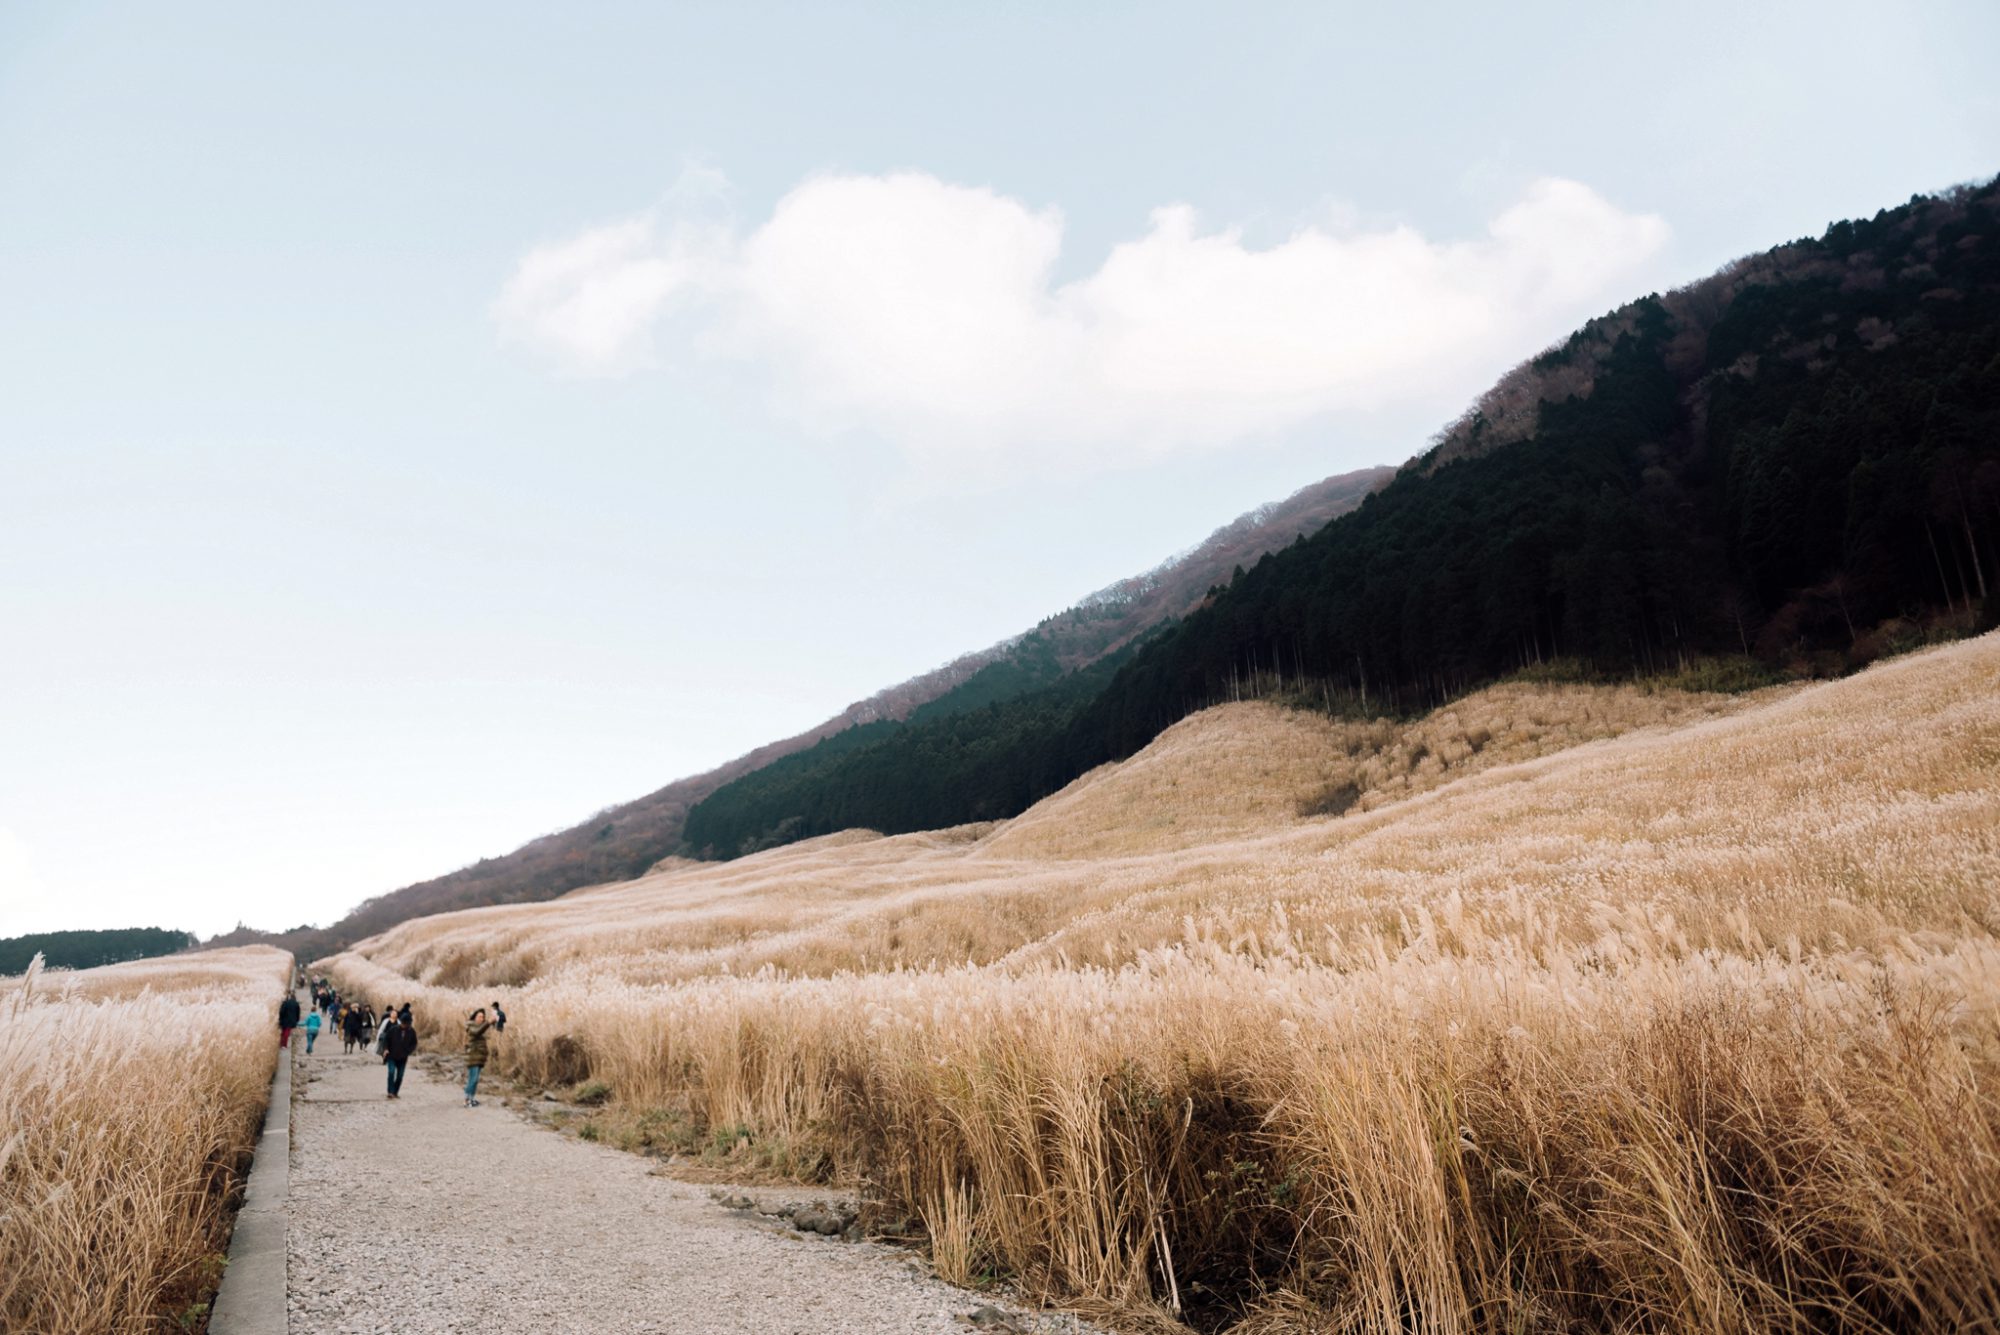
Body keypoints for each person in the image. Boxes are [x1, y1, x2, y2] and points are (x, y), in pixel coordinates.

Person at [382, 1013, 418, 1099]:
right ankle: (390, 1092)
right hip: (391, 1055)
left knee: (400, 1076)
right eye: (404, 1023)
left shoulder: (411, 1031)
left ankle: (395, 1092)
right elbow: (386, 1040)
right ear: (401, 1022)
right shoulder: (393, 1030)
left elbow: (414, 1043)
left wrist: (408, 1051)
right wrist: (386, 1049)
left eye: (407, 1024)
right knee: (391, 1072)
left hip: (403, 1057)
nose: (405, 1025)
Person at [463, 1008, 493, 1107]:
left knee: (475, 1079)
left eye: (483, 1017)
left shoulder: (480, 1027)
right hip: (473, 1057)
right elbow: (477, 1032)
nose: (481, 1018)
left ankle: (471, 1098)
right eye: (479, 1016)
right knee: (473, 1079)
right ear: (475, 1017)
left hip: (479, 1058)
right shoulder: (471, 1026)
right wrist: (488, 1022)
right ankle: (467, 1100)